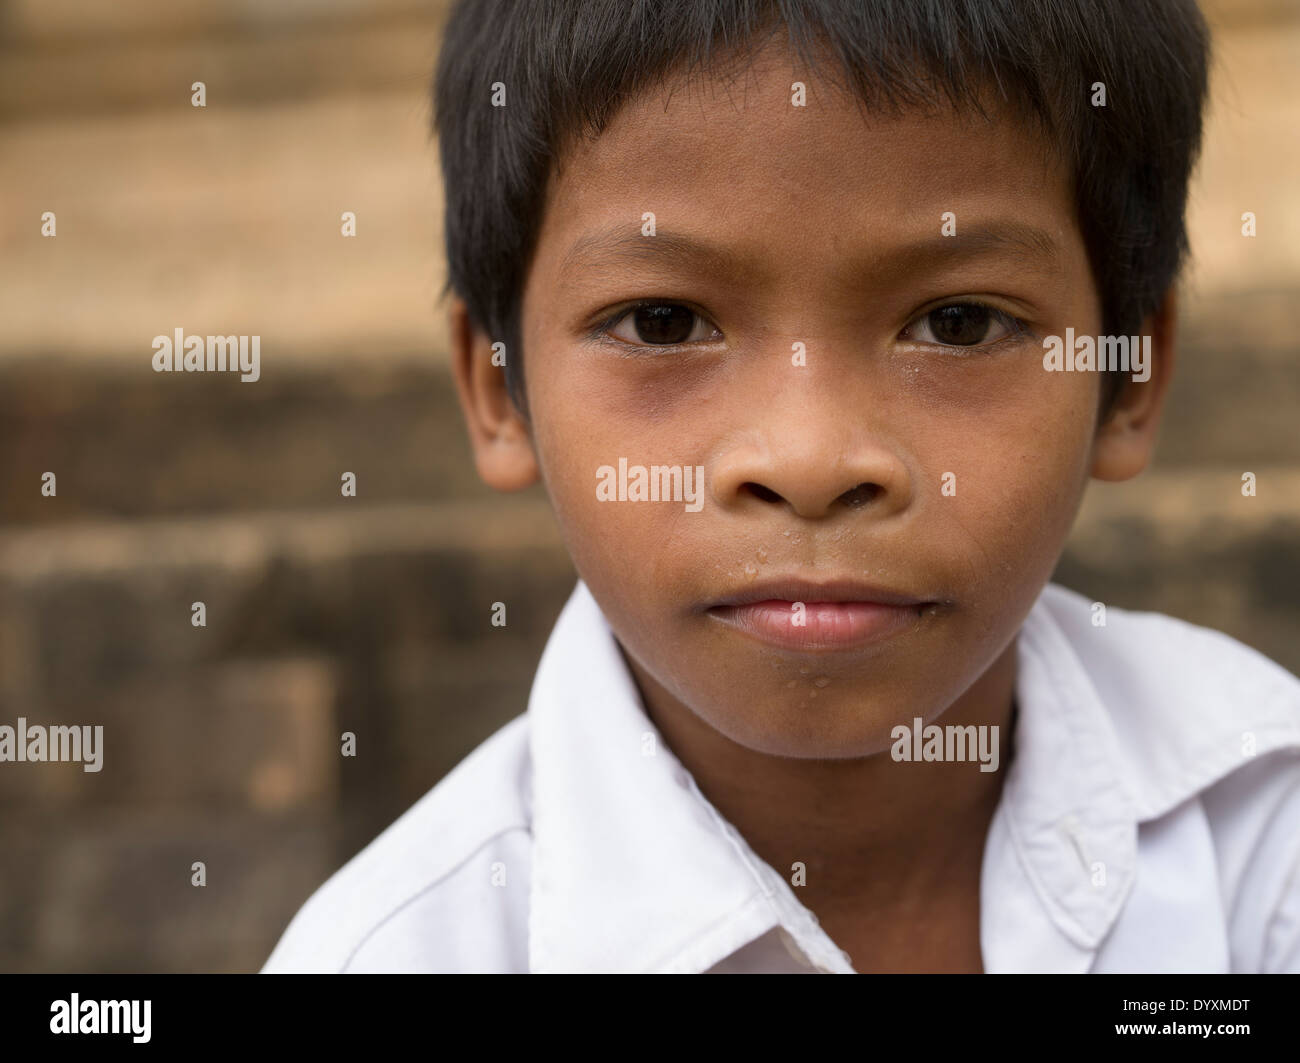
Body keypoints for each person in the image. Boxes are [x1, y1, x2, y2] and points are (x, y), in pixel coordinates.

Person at [263, 0, 1300, 973]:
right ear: (500, 387)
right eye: (662, 323)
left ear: (1128, 375)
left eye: (959, 323)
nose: (809, 462)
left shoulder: (1260, 839)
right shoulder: (400, 952)